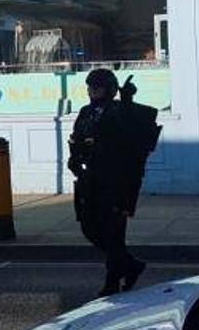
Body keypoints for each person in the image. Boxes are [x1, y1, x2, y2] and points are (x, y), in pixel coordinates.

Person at [68, 68, 159, 296]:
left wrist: (127, 99)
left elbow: (130, 133)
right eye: (89, 87)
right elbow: (78, 137)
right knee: (89, 226)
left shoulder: (121, 111)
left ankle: (112, 281)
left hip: (117, 181)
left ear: (109, 88)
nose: (92, 91)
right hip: (90, 178)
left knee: (114, 231)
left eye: (96, 87)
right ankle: (131, 265)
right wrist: (74, 158)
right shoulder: (86, 112)